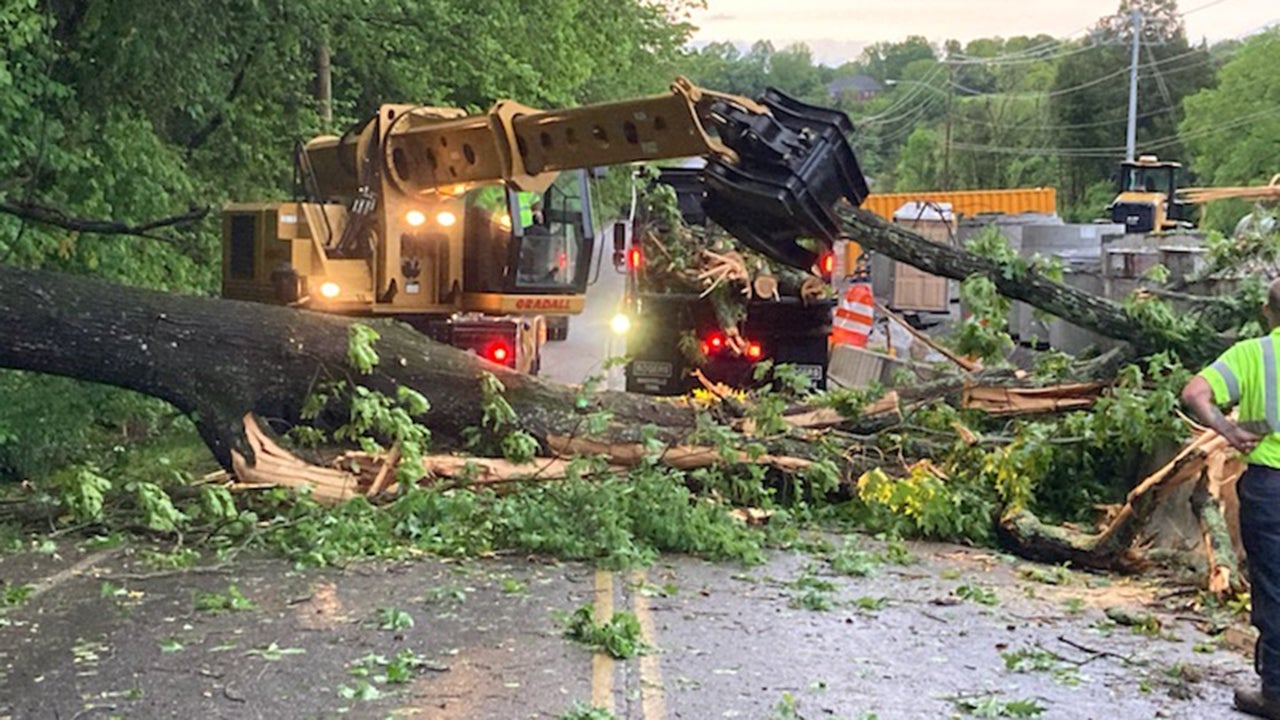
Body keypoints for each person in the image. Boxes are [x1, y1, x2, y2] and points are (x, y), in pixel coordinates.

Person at [1181, 277, 1280, 719]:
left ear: (1267, 311)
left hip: (1269, 489)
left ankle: (1276, 693)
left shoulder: (1253, 353)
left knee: (1274, 589)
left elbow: (1194, 393)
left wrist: (1228, 430)